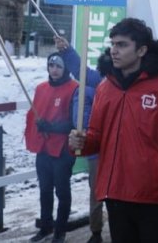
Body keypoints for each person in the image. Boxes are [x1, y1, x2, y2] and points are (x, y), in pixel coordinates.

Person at [69, 17, 158, 242]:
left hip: (152, 198)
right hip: (114, 194)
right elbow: (96, 137)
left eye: (122, 45)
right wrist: (80, 142)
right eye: (112, 44)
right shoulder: (105, 87)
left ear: (141, 50)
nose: (114, 51)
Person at [25, 53, 93, 243]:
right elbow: (34, 114)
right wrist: (39, 128)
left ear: (65, 69)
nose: (54, 70)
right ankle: (45, 225)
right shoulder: (41, 88)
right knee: (45, 188)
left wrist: (52, 127)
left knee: (62, 190)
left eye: (58, 66)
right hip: (44, 148)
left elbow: (75, 122)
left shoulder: (74, 89)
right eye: (51, 66)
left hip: (63, 148)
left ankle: (60, 232)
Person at [55, 36, 110, 243]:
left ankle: (103, 231)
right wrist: (67, 51)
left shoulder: (127, 85)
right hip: (97, 148)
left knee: (104, 192)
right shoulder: (98, 81)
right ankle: (96, 232)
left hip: (117, 149)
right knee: (97, 191)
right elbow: (80, 70)